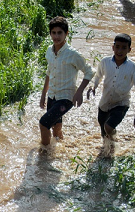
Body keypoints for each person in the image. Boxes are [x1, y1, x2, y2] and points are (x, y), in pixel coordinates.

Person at [39, 16, 94, 147]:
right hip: (52, 95)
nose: (56, 36)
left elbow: (90, 71)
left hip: (66, 98)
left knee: (43, 123)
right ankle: (61, 150)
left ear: (66, 34)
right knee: (55, 128)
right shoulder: (49, 51)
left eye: (60, 33)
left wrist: (79, 92)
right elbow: (49, 72)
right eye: (53, 33)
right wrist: (43, 94)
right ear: (50, 33)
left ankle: (44, 155)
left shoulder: (72, 54)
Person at [87, 33, 135, 149]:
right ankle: (109, 150)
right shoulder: (105, 62)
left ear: (129, 50)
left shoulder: (134, 68)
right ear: (113, 47)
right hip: (104, 103)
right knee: (104, 134)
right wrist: (94, 86)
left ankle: (114, 144)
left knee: (108, 127)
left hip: (121, 103)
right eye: (117, 47)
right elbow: (98, 75)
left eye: (124, 48)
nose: (120, 51)